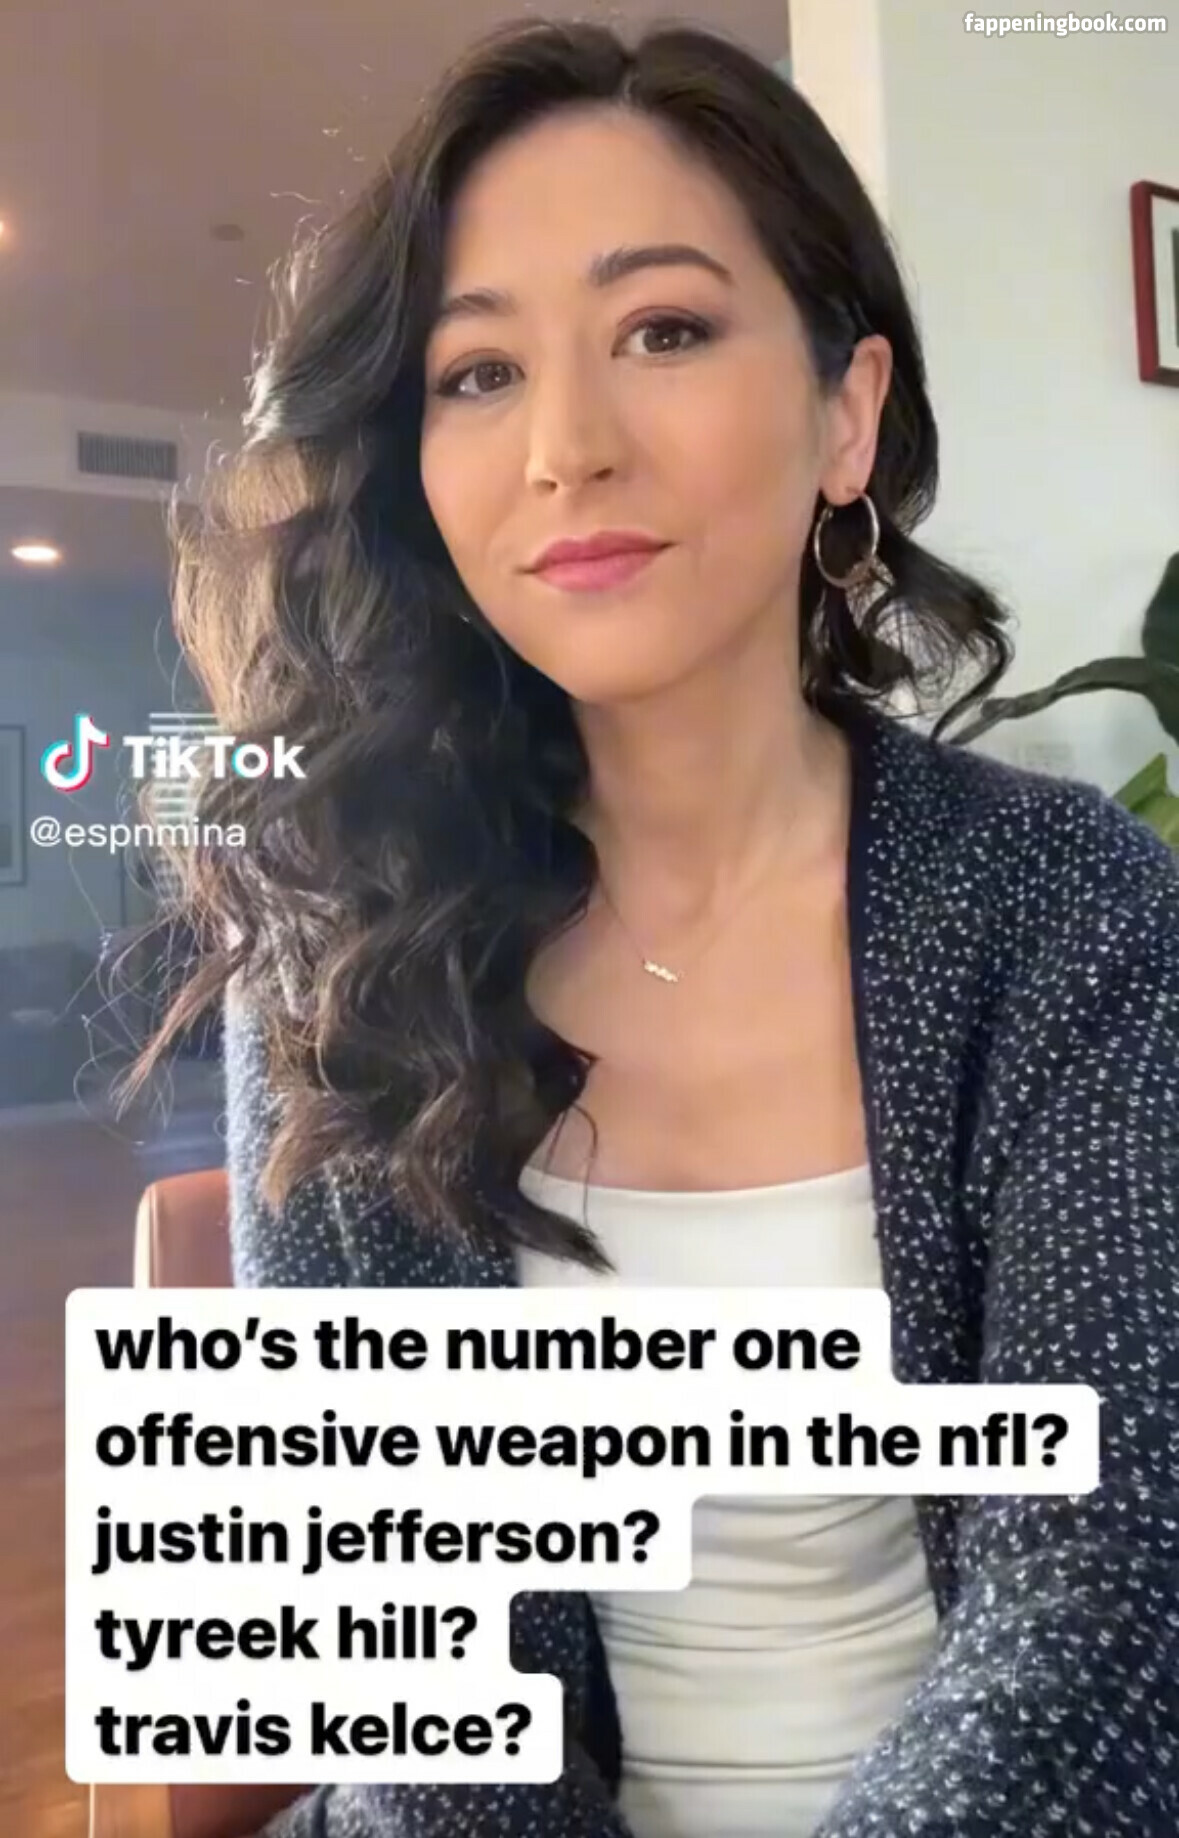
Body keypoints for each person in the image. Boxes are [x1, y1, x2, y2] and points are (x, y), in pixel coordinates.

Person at [133, 17, 1179, 1837]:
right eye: (477, 372)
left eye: (665, 330)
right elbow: (410, 1687)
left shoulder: (1073, 907)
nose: (568, 448)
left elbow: (1106, 1609)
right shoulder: (344, 951)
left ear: (845, 412)